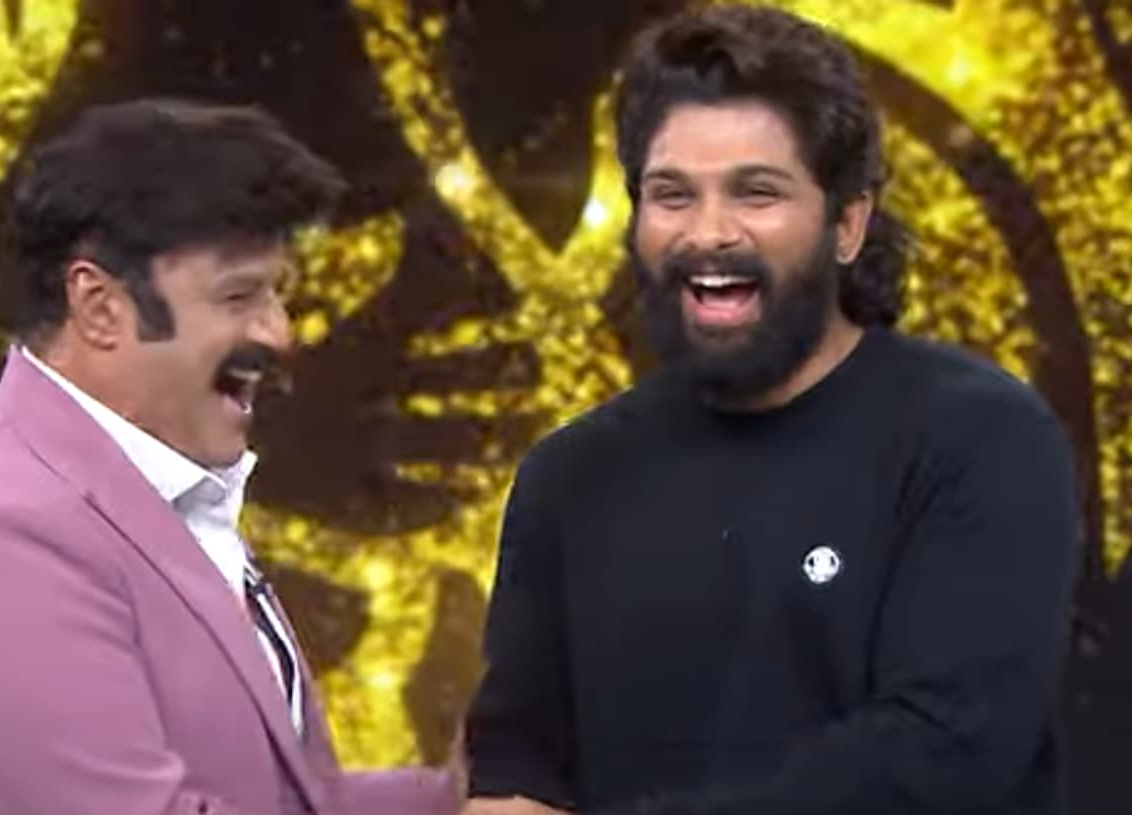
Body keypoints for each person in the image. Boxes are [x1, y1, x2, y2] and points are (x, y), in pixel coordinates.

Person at [462, 6, 1079, 815]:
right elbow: (515, 766)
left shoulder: (979, 437)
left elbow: (939, 757)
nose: (709, 233)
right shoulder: (568, 475)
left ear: (848, 223)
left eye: (756, 193)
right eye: (672, 195)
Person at [0, 98, 459, 815]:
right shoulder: (3, 532)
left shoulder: (142, 489)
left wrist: (459, 799)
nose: (279, 333)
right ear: (100, 307)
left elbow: (276, 799)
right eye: (239, 296)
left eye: (277, 294)